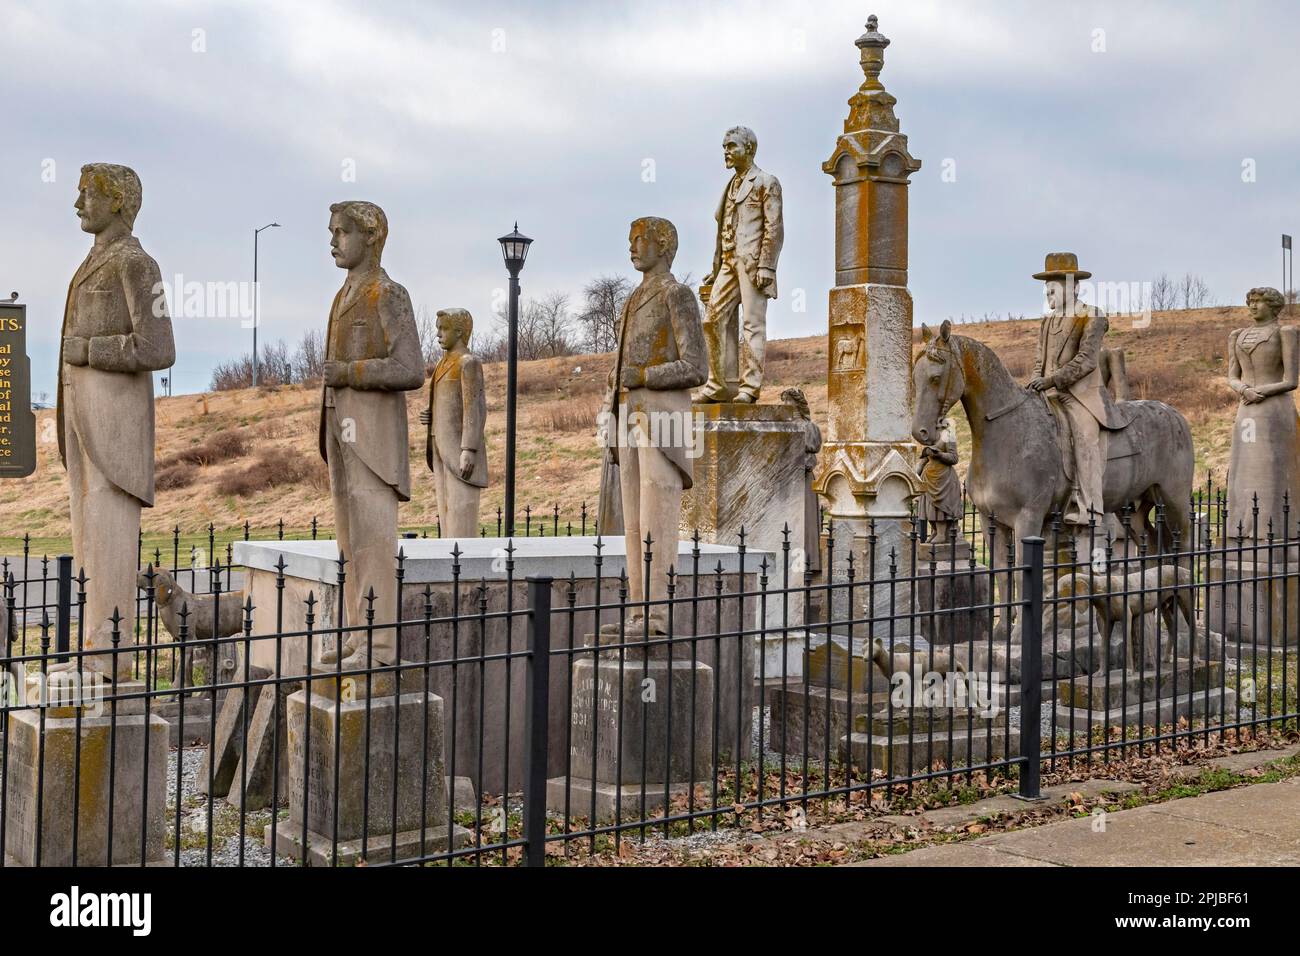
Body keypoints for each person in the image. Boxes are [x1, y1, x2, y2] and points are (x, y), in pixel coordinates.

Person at [56, 163, 175, 681]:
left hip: (116, 432)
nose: (78, 203)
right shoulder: (92, 262)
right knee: (88, 541)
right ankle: (92, 651)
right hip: (83, 424)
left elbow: (159, 346)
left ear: (120, 202)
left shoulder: (137, 264)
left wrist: (90, 348)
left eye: (87, 194)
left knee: (107, 537)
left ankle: (109, 660)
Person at [317, 201, 423, 669]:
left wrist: (350, 371)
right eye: (332, 231)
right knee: (350, 539)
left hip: (374, 439)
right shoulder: (342, 295)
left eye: (342, 232)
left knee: (374, 540)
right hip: (340, 431)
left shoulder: (389, 294)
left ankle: (379, 646)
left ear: (370, 237)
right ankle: (360, 633)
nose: (334, 240)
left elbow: (409, 367)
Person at [601, 217, 706, 634]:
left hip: (661, 421)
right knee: (632, 521)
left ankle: (659, 615)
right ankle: (639, 611)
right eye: (630, 239)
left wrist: (645, 377)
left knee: (657, 519)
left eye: (639, 239)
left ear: (663, 246)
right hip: (628, 416)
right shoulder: (632, 298)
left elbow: (696, 366)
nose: (631, 246)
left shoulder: (677, 295)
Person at [696, 126, 783, 404]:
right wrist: (716, 266)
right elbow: (724, 229)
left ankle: (750, 387)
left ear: (749, 149)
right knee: (711, 320)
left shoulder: (766, 182)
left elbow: (774, 228)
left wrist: (766, 266)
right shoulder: (729, 186)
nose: (726, 152)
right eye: (724, 147)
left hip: (753, 264)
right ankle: (718, 385)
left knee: (752, 325)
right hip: (728, 264)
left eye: (731, 146)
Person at [1226, 286, 1300, 540]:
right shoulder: (1237, 335)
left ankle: (1273, 530)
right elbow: (1232, 376)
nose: (1253, 306)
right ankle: (1240, 529)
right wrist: (1244, 390)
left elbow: (1291, 380)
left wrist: (1261, 391)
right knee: (1243, 465)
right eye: (1251, 302)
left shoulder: (1286, 332)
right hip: (1246, 409)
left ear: (1273, 305)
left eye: (1259, 302)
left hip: (1273, 410)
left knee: (1271, 467)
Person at [419, 308, 487, 537]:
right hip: (440, 449)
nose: (437, 334)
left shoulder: (468, 363)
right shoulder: (442, 364)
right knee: (446, 516)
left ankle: (463, 569)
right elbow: (449, 402)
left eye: (443, 328)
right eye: (437, 328)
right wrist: (431, 415)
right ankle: (451, 568)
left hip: (459, 452)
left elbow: (474, 409)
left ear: (459, 332)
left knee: (460, 520)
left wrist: (469, 449)